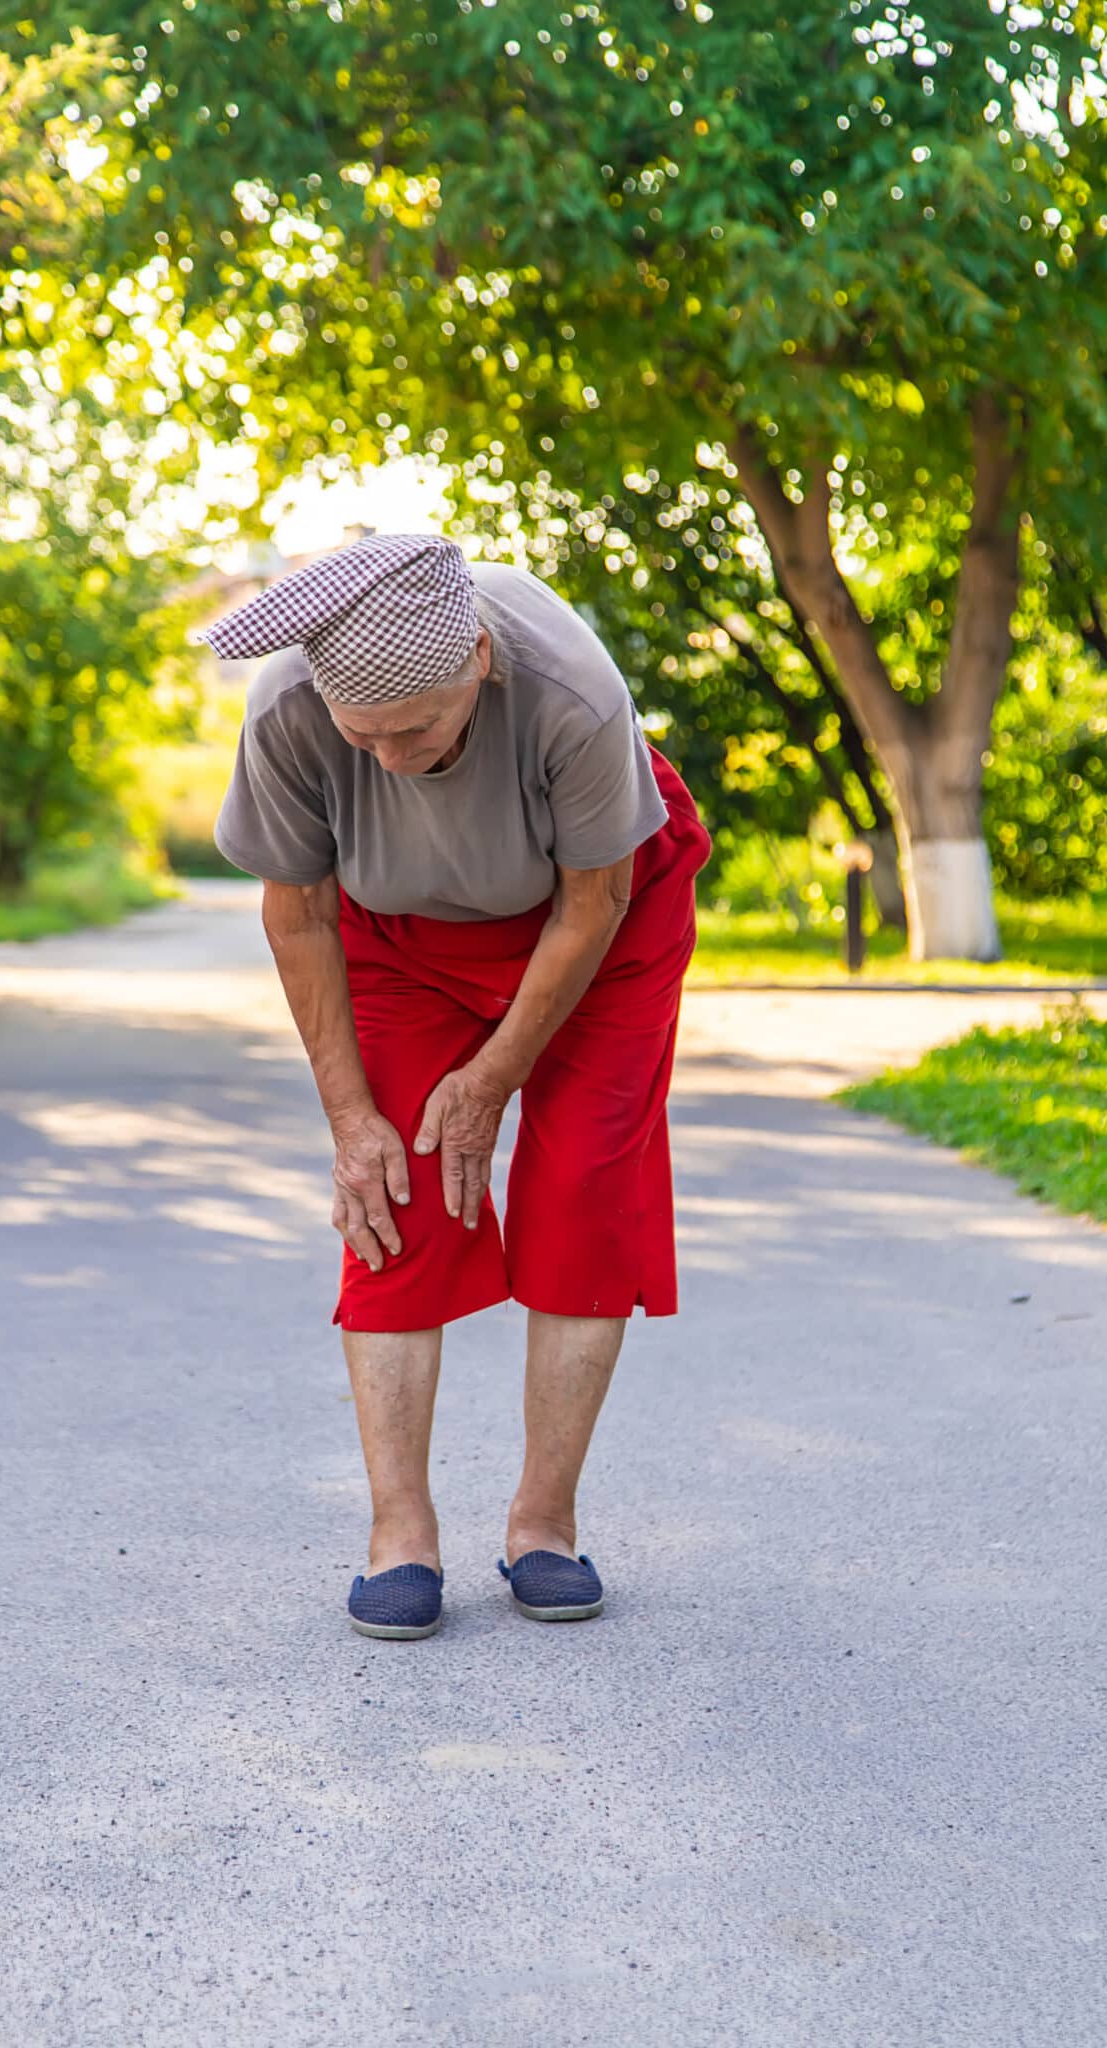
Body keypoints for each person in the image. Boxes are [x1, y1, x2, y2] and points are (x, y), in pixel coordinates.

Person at [201, 532, 712, 1640]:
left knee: (584, 1190)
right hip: (397, 937)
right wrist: (350, 1120)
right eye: (363, 734)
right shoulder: (290, 708)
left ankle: (544, 1525)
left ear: (478, 658)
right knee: (390, 1193)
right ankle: (399, 1534)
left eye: (417, 729)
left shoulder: (571, 691)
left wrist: (491, 1080)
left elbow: (593, 903)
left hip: (600, 926)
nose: (388, 758)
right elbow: (298, 913)